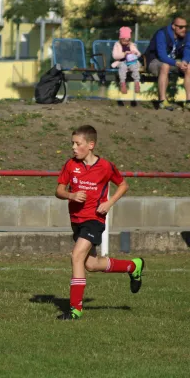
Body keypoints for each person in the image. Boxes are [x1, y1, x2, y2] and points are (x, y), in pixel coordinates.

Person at [55, 125, 143, 320]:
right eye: (72, 143)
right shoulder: (70, 165)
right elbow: (59, 191)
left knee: (76, 255)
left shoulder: (106, 166)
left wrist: (109, 203)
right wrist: (71, 194)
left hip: (94, 219)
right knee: (91, 264)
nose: (73, 148)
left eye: (78, 144)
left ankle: (75, 309)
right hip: (76, 220)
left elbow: (123, 185)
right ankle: (132, 266)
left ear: (90, 145)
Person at [144, 16, 190, 110]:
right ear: (173, 26)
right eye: (181, 27)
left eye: (185, 27)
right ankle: (162, 101)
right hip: (154, 61)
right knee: (165, 66)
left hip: (173, 62)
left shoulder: (186, 35)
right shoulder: (162, 33)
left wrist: (184, 61)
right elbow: (162, 56)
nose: (184, 29)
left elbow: (187, 49)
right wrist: (177, 63)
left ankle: (188, 101)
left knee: (189, 67)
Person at [111, 26, 141, 94]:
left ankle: (137, 82)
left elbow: (139, 54)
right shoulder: (117, 45)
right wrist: (124, 54)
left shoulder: (132, 45)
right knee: (122, 66)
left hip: (131, 62)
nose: (126, 42)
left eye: (127, 41)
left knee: (134, 67)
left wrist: (135, 53)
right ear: (120, 39)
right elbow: (115, 56)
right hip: (121, 62)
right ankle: (122, 83)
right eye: (124, 41)